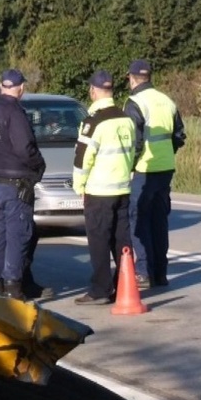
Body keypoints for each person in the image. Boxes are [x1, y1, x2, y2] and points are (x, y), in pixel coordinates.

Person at [0, 69, 47, 299]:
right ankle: (13, 288)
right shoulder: (14, 112)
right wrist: (39, 166)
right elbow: (25, 148)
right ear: (21, 87)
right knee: (18, 236)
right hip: (16, 184)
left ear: (1, 85)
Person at [72, 70, 136, 304]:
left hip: (99, 191)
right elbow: (133, 152)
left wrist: (79, 186)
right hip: (122, 189)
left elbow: (82, 158)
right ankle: (124, 284)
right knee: (122, 240)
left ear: (93, 91)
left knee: (99, 241)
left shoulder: (94, 122)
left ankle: (101, 289)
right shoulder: (125, 118)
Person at [123, 59, 186, 289]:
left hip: (144, 170)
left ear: (131, 78)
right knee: (159, 222)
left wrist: (129, 166)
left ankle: (143, 272)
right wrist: (167, 153)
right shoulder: (167, 101)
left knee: (138, 220)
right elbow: (179, 136)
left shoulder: (134, 103)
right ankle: (160, 274)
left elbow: (134, 142)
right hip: (165, 169)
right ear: (149, 77)